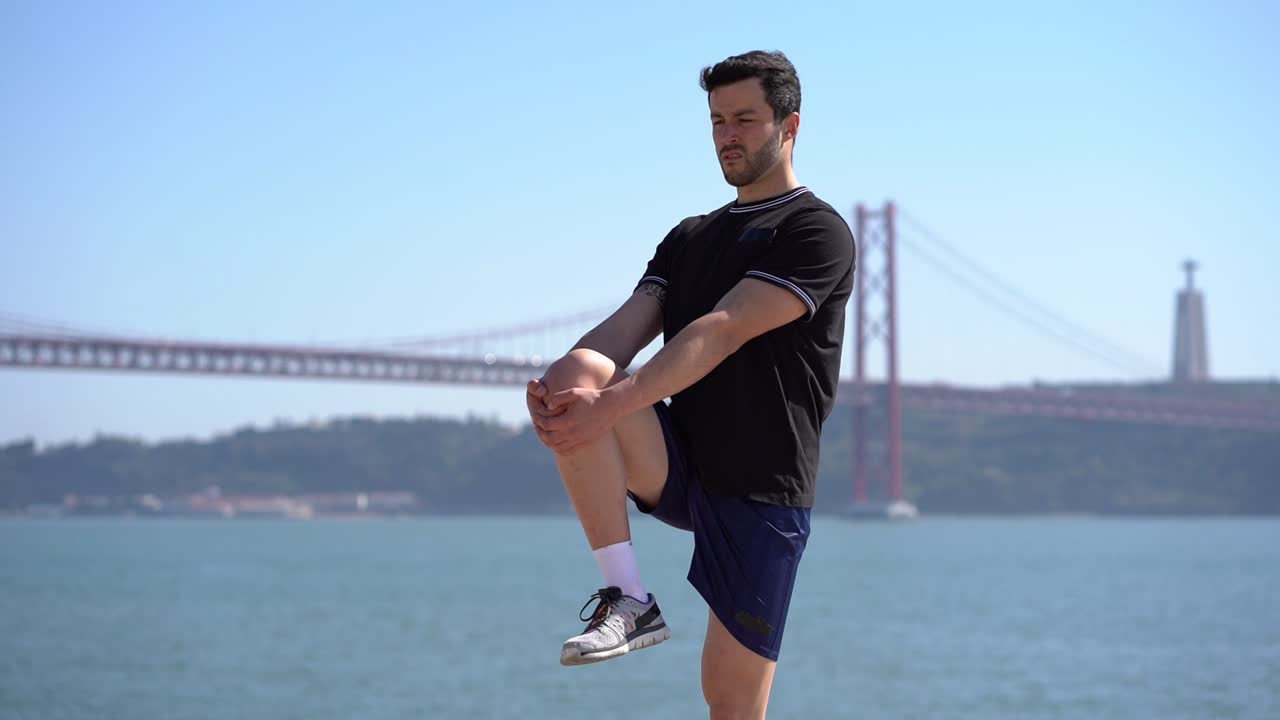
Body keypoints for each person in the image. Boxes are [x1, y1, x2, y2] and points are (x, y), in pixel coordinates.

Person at [525, 50, 854, 719]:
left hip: (763, 489)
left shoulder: (815, 232)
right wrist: (563, 393)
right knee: (575, 372)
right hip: (682, 462)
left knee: (730, 704)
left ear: (790, 126)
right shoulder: (688, 238)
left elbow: (724, 328)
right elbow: (621, 333)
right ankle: (629, 599)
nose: (727, 135)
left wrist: (608, 406)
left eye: (745, 120)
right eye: (717, 121)